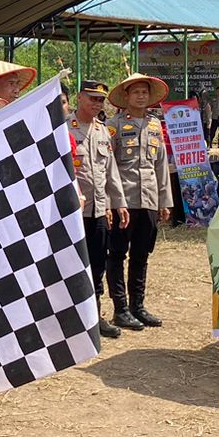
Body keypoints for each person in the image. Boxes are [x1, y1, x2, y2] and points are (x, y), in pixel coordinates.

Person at [106, 72, 174, 331]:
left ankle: (138, 305)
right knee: (117, 255)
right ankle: (120, 308)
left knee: (141, 255)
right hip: (123, 200)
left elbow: (161, 166)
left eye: (145, 91)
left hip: (149, 200)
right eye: (136, 92)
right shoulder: (113, 126)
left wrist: (164, 201)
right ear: (126, 97)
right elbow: (108, 166)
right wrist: (112, 201)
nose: (141, 95)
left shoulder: (155, 126)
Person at [68, 80, 128, 340]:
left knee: (97, 265)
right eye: (92, 98)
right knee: (72, 265)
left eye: (100, 100)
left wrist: (119, 202)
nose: (96, 103)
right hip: (72, 212)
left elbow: (111, 171)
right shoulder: (63, 129)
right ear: (80, 98)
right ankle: (70, 319)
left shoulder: (104, 131)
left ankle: (94, 316)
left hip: (98, 210)